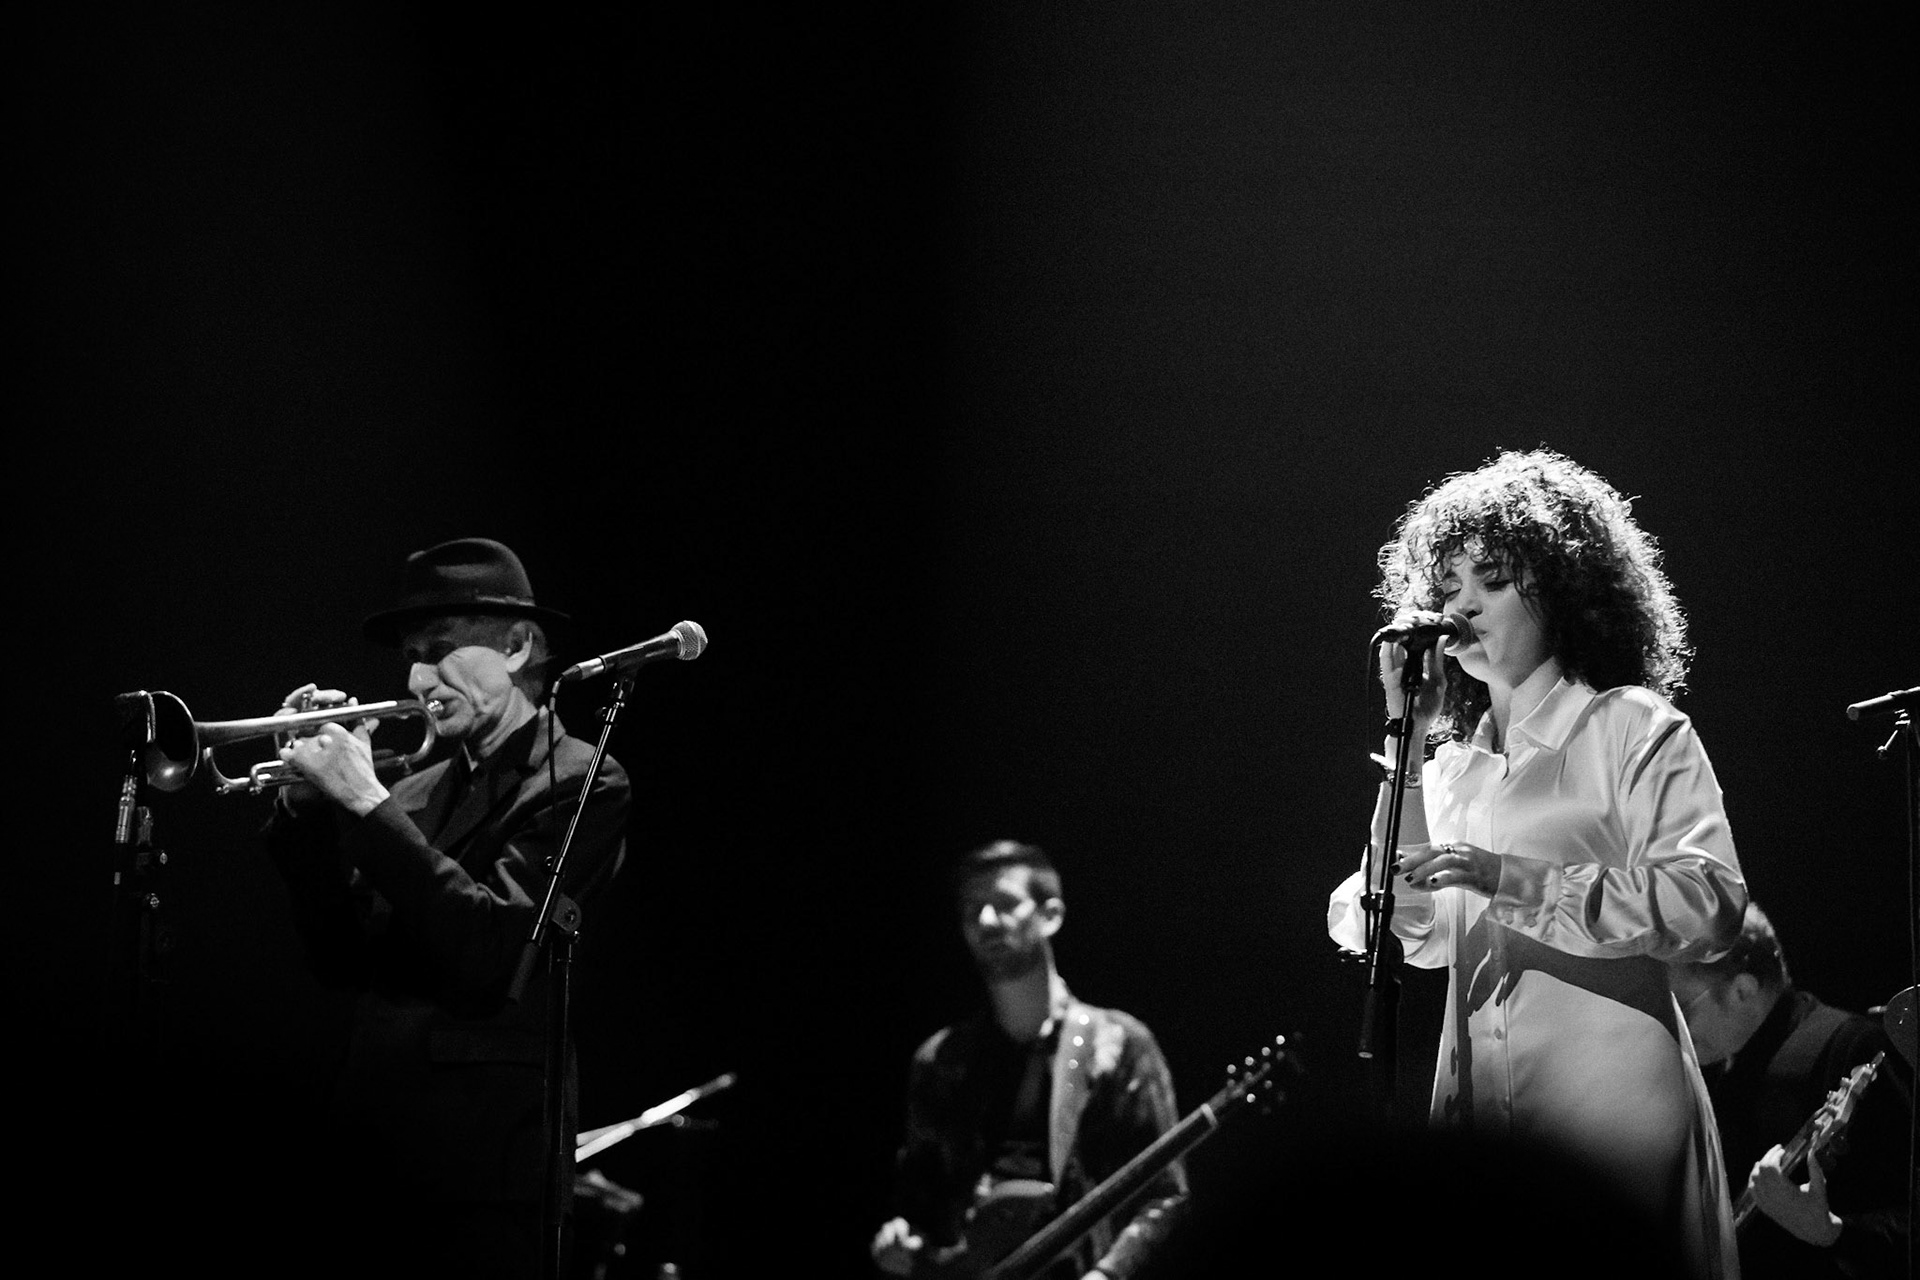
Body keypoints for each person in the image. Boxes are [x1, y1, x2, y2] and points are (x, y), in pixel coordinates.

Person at [1326, 448, 1748, 1279]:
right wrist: (1407, 747)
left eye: (1493, 580)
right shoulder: (1452, 769)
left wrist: (1508, 879)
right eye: (1446, 589)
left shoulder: (1630, 726)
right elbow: (1400, 926)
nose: (1463, 607)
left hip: (1616, 1114)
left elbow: (1708, 903)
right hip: (1481, 1127)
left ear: (1560, 590)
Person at [262, 536, 631, 1279]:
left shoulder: (583, 780)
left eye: (439, 649)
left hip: (486, 1167)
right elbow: (338, 960)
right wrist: (306, 814)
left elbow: (492, 948)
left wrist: (363, 802)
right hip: (373, 1147)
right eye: (410, 655)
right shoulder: (411, 794)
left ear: (520, 646)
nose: (415, 676)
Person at [871, 840, 1188, 1279]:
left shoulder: (1117, 1043)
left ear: (1051, 914)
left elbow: (1165, 1194)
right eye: (972, 910)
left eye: (1004, 903)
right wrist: (900, 1241)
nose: (986, 921)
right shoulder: (940, 1061)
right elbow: (918, 1210)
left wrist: (1109, 1275)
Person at [1670, 900, 1914, 1278]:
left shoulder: (1850, 1048)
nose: (1675, 1029)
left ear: (1742, 990)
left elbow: (1907, 1217)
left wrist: (1835, 1232)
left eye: (1683, 1010)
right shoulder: (1714, 1074)